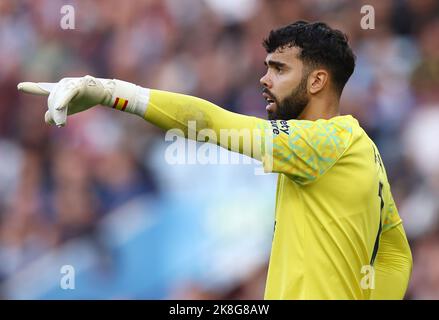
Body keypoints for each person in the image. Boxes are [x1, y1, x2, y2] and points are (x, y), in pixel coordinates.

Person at [17, 21, 412, 299]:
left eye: (279, 69)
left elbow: (211, 123)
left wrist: (110, 92)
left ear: (317, 81)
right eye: (266, 68)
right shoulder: (362, 148)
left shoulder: (324, 142)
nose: (265, 79)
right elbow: (395, 253)